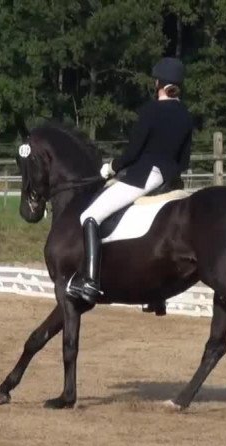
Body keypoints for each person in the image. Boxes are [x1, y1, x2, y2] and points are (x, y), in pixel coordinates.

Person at [66, 57, 194, 305]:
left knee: (89, 216)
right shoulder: (186, 116)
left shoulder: (151, 110)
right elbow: (184, 160)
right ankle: (156, 297)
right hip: (169, 180)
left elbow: (133, 152)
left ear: (158, 84)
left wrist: (112, 167)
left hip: (144, 176)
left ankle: (89, 281)